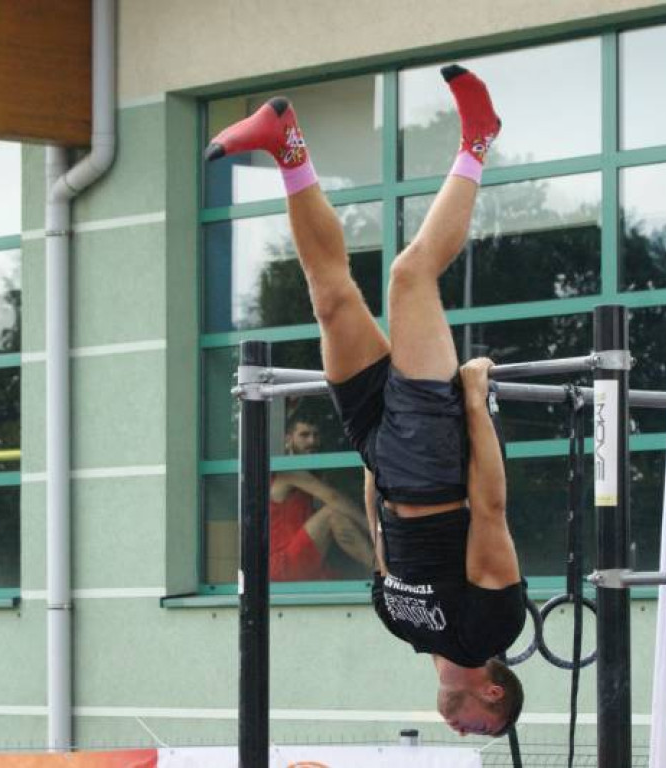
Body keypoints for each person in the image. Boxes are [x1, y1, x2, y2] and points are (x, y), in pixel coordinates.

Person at [207, 64, 525, 737]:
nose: (460, 730)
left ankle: (286, 145)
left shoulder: (401, 628)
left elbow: (382, 543)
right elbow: (492, 511)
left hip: (382, 453)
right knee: (410, 276)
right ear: (493, 694)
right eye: (476, 729)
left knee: (331, 299)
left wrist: (371, 463)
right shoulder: (489, 628)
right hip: (432, 463)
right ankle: (478, 141)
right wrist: (472, 401)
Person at [270, 412, 374, 581]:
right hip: (283, 565)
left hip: (306, 560)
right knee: (332, 513)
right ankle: (380, 569)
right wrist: (371, 527)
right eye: (304, 435)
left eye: (315, 435)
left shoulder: (311, 473)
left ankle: (379, 570)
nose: (312, 441)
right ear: (288, 439)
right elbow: (333, 498)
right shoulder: (289, 470)